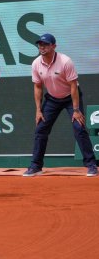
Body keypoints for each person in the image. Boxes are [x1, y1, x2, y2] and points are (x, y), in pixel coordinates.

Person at [23, 33, 98, 177]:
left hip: (71, 97)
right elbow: (38, 87)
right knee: (41, 129)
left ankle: (91, 165)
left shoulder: (65, 61)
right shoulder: (36, 63)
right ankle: (36, 166)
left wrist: (76, 109)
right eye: (40, 44)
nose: (42, 47)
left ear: (54, 46)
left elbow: (73, 86)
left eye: (45, 44)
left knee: (79, 127)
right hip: (52, 99)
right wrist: (38, 110)